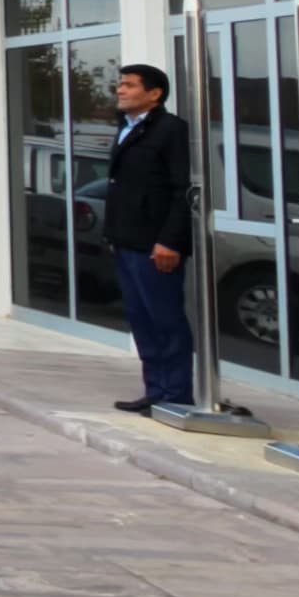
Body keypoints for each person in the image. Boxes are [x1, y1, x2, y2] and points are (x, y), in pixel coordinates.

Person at [103, 67, 197, 414]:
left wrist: (170, 240)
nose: (120, 90)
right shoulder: (126, 127)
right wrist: (113, 234)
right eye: (120, 84)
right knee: (141, 319)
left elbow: (181, 189)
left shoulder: (171, 130)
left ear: (155, 93)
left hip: (156, 245)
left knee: (165, 320)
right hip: (127, 240)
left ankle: (177, 396)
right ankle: (155, 390)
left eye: (129, 85)